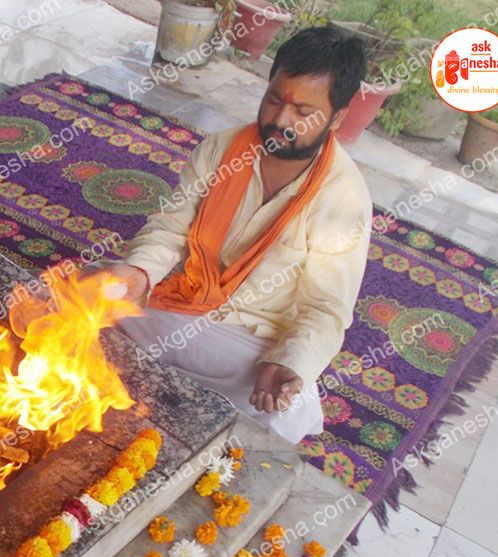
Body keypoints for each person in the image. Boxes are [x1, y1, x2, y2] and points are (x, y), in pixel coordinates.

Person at [105, 26, 373, 443]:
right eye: (275, 100)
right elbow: (170, 228)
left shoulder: (344, 201)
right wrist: (139, 273)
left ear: (337, 117)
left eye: (303, 111)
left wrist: (288, 363)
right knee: (82, 292)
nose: (281, 120)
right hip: (185, 305)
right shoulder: (220, 150)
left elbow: (325, 309)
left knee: (290, 407)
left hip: (248, 343)